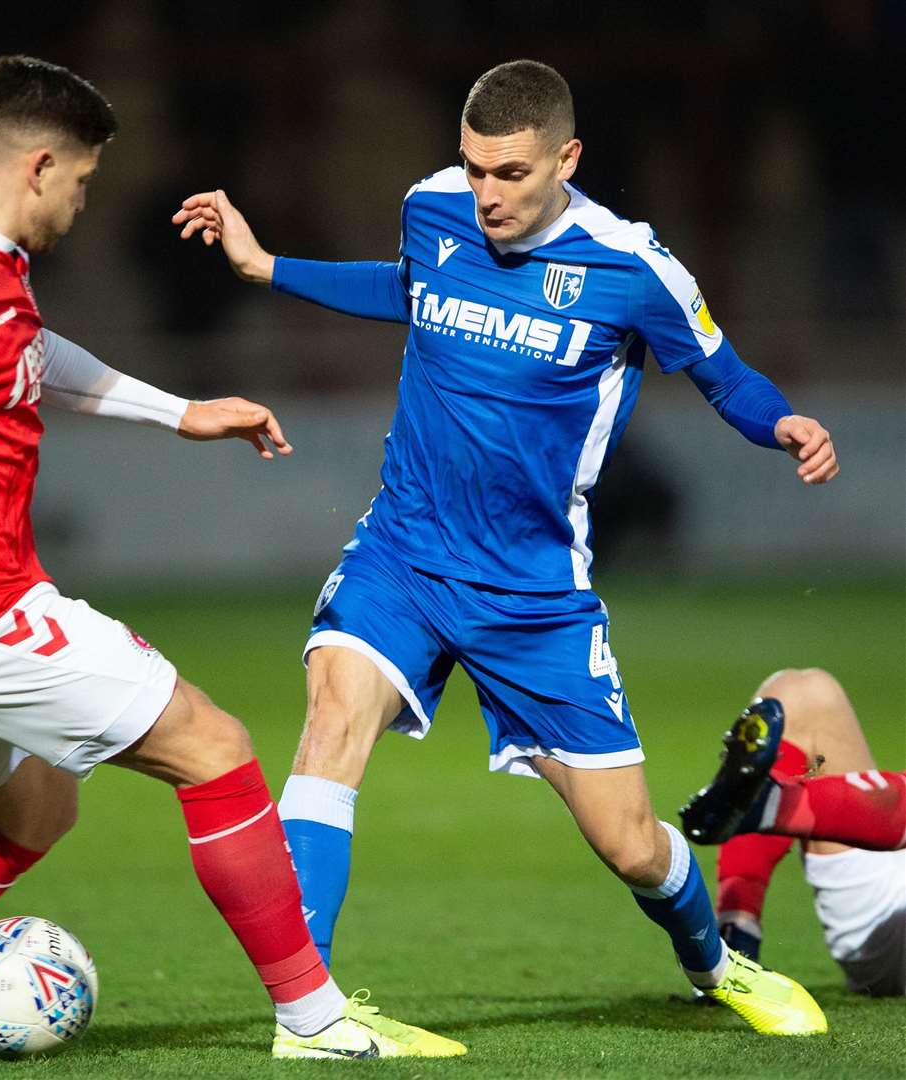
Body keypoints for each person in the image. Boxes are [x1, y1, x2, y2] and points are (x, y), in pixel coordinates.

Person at [0, 55, 465, 1064]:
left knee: (35, 813)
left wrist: (180, 412)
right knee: (219, 749)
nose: (81, 203)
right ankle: (312, 1017)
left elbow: (29, 350)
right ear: (37, 165)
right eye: (79, 182)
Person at [173, 59, 839, 1036]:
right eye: (475, 169)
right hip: (402, 552)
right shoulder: (432, 209)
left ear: (566, 158)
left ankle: (715, 962)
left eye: (512, 174)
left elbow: (723, 373)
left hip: (533, 597)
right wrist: (265, 265)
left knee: (629, 844)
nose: (487, 194)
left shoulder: (632, 269)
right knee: (331, 719)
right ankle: (305, 1014)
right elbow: (410, 287)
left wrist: (781, 424)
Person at [681, 669, 905, 996]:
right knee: (803, 692)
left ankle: (769, 803)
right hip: (887, 911)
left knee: (765, 799)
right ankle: (734, 941)